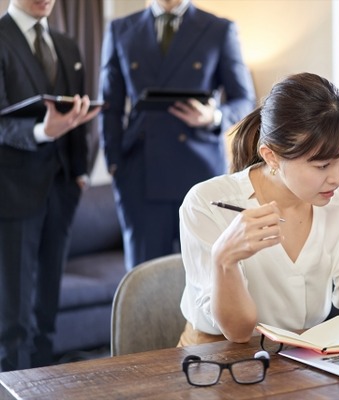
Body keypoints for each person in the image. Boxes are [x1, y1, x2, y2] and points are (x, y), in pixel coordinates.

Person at [178, 72, 339, 345]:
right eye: (322, 165)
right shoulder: (207, 202)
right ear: (271, 156)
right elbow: (238, 332)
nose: (338, 177)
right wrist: (224, 260)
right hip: (218, 354)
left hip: (304, 353)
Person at [99, 0, 256, 271]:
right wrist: (115, 165)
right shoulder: (120, 29)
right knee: (144, 277)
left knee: (206, 272)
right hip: (140, 171)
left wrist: (214, 116)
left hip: (200, 169)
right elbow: (109, 107)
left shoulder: (218, 28)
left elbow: (244, 99)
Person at [0, 0, 100, 371]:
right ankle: (11, 387)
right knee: (13, 314)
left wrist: (80, 172)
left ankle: (45, 385)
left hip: (62, 190)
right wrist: (41, 131)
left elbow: (78, 118)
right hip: (12, 191)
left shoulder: (68, 45)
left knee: (47, 308)